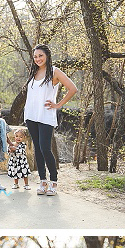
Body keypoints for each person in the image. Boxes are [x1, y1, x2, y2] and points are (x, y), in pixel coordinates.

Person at [24, 44, 78, 196]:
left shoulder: (54, 71)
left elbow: (73, 89)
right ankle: (43, 182)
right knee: (37, 149)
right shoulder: (33, 72)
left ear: (47, 55)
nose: (38, 59)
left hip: (46, 116)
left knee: (45, 148)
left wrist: (58, 104)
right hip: (31, 115)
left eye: (40, 55)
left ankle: (53, 181)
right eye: (35, 56)